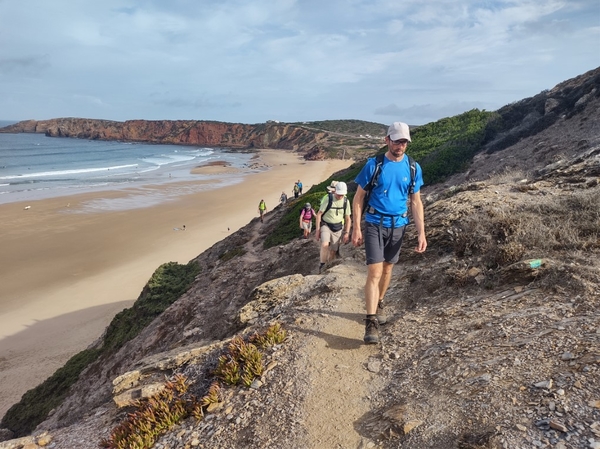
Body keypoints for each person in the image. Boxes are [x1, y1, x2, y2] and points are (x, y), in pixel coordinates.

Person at [352, 122, 427, 345]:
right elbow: (358, 198)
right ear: (387, 140)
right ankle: (371, 321)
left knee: (387, 270)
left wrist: (422, 232)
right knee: (374, 273)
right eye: (396, 141)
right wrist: (357, 227)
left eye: (404, 141)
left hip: (399, 226)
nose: (400, 145)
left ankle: (380, 301)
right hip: (375, 223)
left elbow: (416, 202)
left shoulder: (413, 167)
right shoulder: (373, 165)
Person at [315, 181, 351, 273]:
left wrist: (346, 233)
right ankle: (322, 265)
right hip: (326, 224)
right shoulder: (328, 198)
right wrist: (318, 230)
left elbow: (348, 219)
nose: (340, 196)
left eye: (342, 195)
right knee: (325, 244)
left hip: (338, 227)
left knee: (333, 250)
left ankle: (329, 266)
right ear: (335, 191)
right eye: (339, 194)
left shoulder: (346, 201)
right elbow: (319, 214)